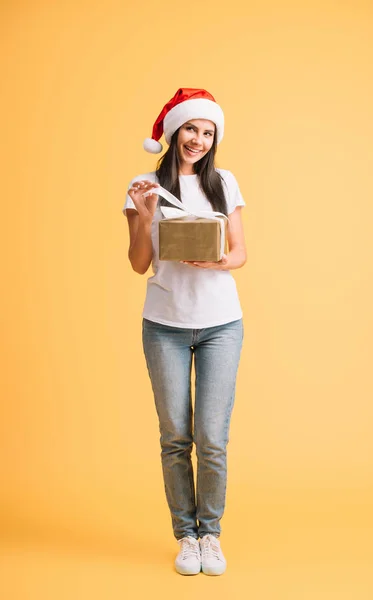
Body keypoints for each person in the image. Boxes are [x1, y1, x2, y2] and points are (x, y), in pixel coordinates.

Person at [122, 88, 247, 576]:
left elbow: (240, 253)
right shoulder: (143, 185)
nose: (198, 139)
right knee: (175, 435)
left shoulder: (226, 183)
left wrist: (215, 260)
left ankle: (210, 533)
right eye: (191, 129)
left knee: (211, 436)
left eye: (207, 131)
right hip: (165, 326)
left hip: (221, 324)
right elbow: (137, 264)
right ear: (174, 133)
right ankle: (186, 536)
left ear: (214, 138)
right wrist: (146, 219)